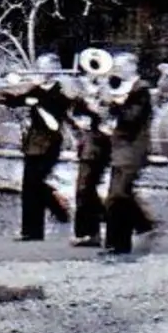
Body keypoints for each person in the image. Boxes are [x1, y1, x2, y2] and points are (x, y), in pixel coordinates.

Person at [0, 53, 75, 242]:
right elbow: (13, 101)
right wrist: (6, 88)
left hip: (50, 143)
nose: (38, 71)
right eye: (38, 67)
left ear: (52, 70)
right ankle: (31, 232)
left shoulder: (61, 92)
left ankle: (58, 210)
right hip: (32, 144)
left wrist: (37, 103)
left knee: (36, 184)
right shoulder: (36, 90)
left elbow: (54, 122)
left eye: (42, 68)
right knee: (28, 187)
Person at [101, 53, 156, 255]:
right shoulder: (122, 87)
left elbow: (133, 117)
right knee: (117, 195)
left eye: (119, 66)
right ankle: (119, 241)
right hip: (120, 147)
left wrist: (115, 104)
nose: (115, 70)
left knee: (118, 195)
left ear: (131, 67)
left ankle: (121, 243)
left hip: (133, 148)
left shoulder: (141, 89)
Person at [67, 83, 111, 248]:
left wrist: (95, 106)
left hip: (98, 148)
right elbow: (73, 115)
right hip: (88, 147)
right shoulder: (85, 97)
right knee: (86, 191)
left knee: (84, 189)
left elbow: (108, 119)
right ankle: (91, 232)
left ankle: (89, 232)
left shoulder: (110, 92)